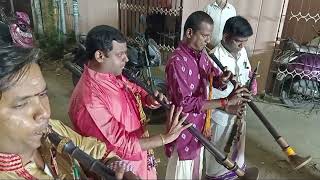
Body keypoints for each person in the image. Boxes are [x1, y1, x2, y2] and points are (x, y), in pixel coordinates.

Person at [68, 25, 191, 179]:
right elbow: (120, 144)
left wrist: (149, 98)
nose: (126, 59)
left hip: (140, 156)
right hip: (122, 169)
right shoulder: (89, 99)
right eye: (120, 54)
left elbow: (132, 88)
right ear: (100, 56)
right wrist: (165, 138)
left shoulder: (109, 73)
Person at [0, 45, 140, 179]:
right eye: (22, 104)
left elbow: (97, 151)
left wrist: (114, 166)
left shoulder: (52, 128)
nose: (44, 113)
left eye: (42, 94)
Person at [164, 11, 251, 179]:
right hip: (184, 127)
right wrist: (225, 101)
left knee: (195, 170)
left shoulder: (201, 55)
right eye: (204, 36)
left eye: (209, 36)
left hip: (200, 125)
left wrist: (222, 80)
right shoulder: (177, 61)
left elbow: (213, 78)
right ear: (189, 33)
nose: (208, 41)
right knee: (181, 171)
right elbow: (185, 103)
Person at [205, 16, 257, 180]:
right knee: (218, 157)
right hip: (219, 116)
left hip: (240, 112)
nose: (242, 46)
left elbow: (246, 72)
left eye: (245, 41)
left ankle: (237, 174)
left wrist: (251, 83)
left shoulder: (241, 52)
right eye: (238, 41)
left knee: (237, 149)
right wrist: (225, 106)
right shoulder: (213, 58)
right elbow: (204, 97)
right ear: (225, 36)